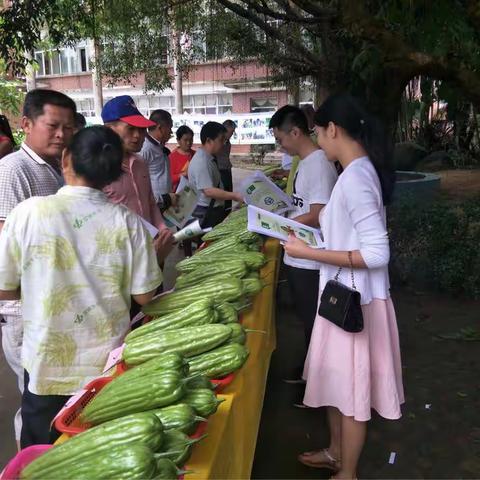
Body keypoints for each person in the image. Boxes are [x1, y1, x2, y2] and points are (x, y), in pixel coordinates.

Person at [0, 125, 163, 448]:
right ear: (114, 174)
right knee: (98, 450)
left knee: (43, 455)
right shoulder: (128, 222)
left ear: (66, 158)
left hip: (47, 364)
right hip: (103, 367)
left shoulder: (29, 213)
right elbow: (145, 296)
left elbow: (4, 287)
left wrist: (40, 287)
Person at [284, 94, 404, 479]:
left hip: (355, 303)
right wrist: (316, 246)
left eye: (318, 132)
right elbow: (348, 239)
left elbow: (376, 253)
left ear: (332, 130)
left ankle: (347, 472)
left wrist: (312, 253)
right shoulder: (354, 173)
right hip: (341, 296)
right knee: (337, 384)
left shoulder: (356, 178)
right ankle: (335, 452)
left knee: (352, 395)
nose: (318, 140)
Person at [0, 89, 76, 447]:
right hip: (25, 306)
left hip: (56, 302)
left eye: (69, 127)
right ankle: (29, 466)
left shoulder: (59, 169)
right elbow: (7, 245)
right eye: (53, 125)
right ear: (26, 124)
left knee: (55, 396)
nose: (62, 134)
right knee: (35, 398)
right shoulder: (13, 169)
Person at [269, 105, 338, 390]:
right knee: (308, 320)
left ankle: (318, 384)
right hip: (300, 254)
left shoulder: (319, 164)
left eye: (280, 138)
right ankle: (311, 371)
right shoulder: (306, 162)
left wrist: (279, 224)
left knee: (315, 321)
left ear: (296, 132)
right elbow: (302, 206)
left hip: (311, 259)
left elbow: (318, 212)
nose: (280, 145)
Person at [101, 96, 173, 262]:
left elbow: (150, 202)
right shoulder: (98, 170)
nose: (138, 136)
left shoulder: (140, 163)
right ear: (110, 130)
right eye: (131, 129)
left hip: (152, 248)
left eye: (141, 130)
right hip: (120, 258)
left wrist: (162, 229)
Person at [188, 121, 243, 228]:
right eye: (221, 140)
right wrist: (235, 195)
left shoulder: (209, 157)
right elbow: (209, 191)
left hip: (212, 209)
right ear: (208, 140)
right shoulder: (201, 161)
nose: (223, 143)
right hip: (206, 212)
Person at [140, 109, 178, 210]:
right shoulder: (145, 149)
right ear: (160, 128)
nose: (171, 132)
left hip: (166, 201)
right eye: (170, 128)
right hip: (155, 204)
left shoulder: (160, 147)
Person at [216, 119, 236, 213]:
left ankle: (228, 212)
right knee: (222, 195)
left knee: (229, 193)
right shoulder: (218, 142)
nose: (231, 134)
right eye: (230, 132)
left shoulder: (228, 142)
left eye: (232, 132)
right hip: (220, 171)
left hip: (227, 170)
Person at [169, 125, 195, 191]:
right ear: (178, 140)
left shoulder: (196, 155)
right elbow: (169, 179)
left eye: (191, 139)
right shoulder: (172, 157)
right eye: (185, 140)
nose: (188, 143)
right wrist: (182, 175)